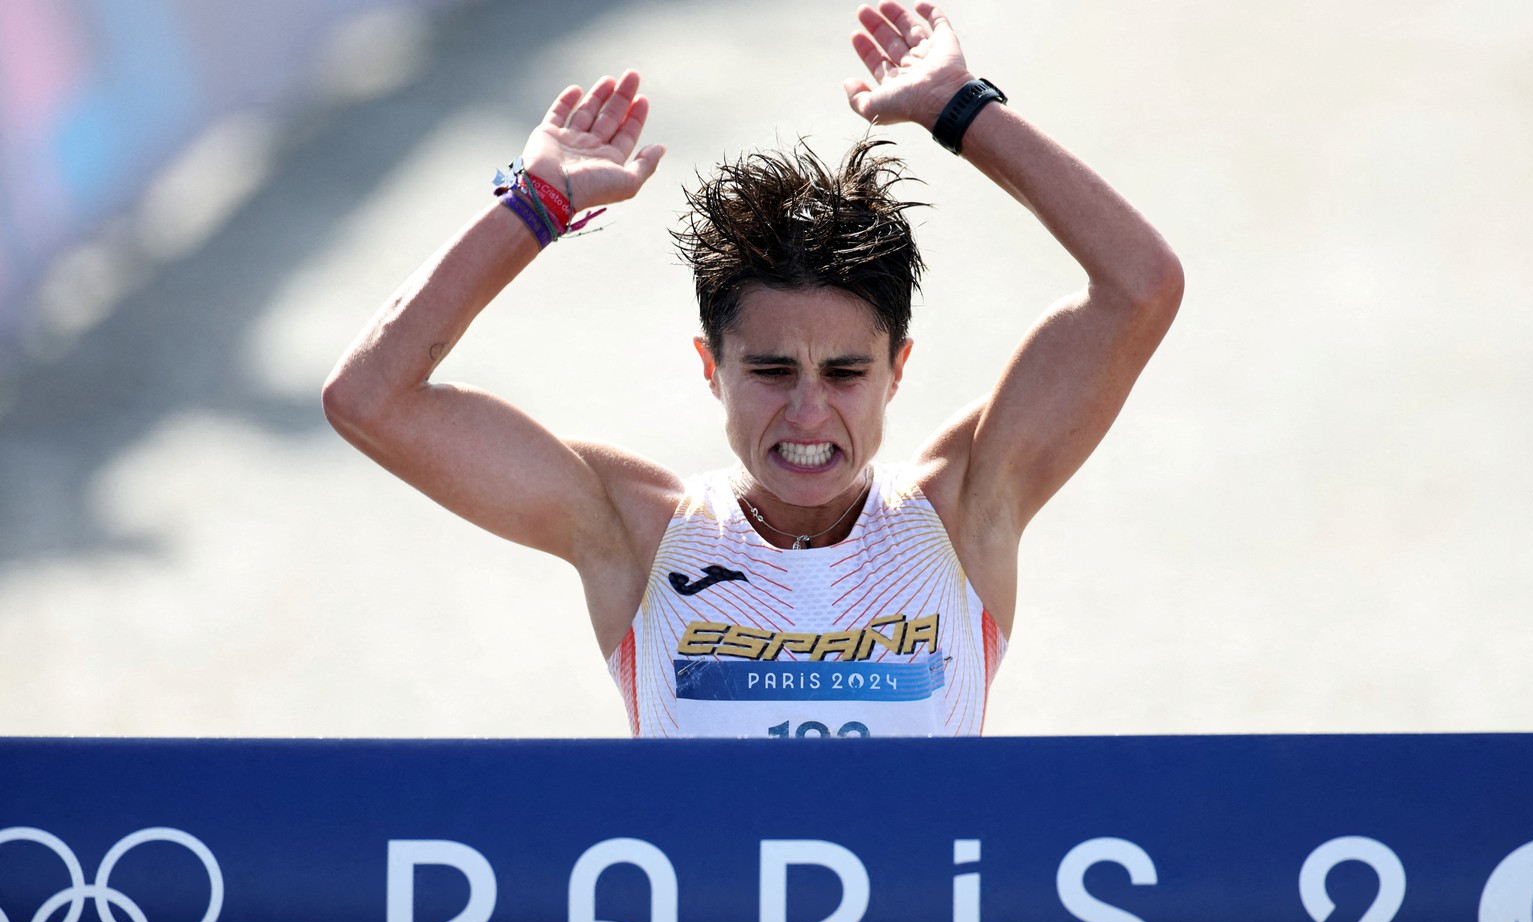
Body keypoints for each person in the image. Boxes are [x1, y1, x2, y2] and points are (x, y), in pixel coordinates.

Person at [322, 1, 1182, 738]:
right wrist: (537, 204)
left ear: (898, 370)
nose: (808, 414)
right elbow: (370, 398)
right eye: (772, 370)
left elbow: (1142, 287)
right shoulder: (639, 534)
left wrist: (961, 110)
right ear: (711, 366)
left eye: (845, 373)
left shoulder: (965, 513)